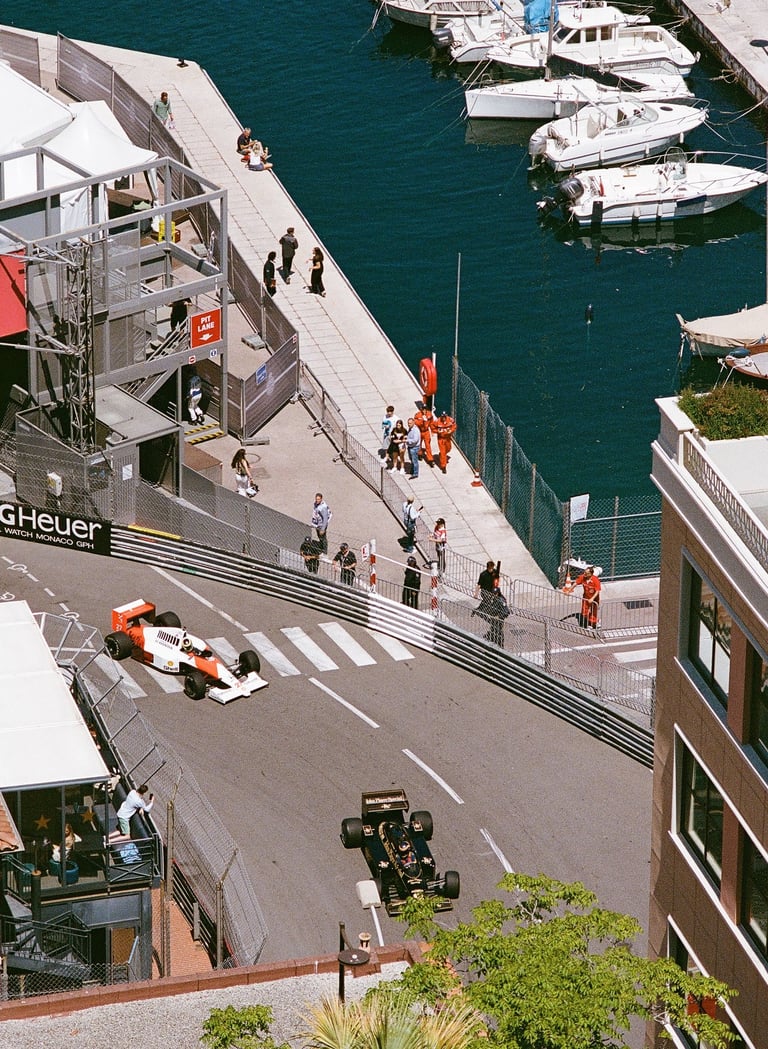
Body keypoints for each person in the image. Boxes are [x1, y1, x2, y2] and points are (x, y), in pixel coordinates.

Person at [564, 565, 601, 629]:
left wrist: (592, 598)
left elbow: (597, 591)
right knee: (584, 612)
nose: (584, 574)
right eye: (584, 572)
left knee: (593, 612)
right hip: (586, 597)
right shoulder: (582, 577)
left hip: (594, 599)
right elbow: (576, 583)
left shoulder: (595, 580)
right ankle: (590, 621)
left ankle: (592, 624)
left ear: (591, 574)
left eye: (586, 573)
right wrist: (569, 590)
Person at [485, 582, 510, 646]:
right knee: (493, 629)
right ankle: (491, 639)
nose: (493, 595)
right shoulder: (494, 599)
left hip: (498, 620)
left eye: (495, 594)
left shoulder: (501, 600)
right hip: (493, 619)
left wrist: (498, 617)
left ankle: (500, 644)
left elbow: (506, 611)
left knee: (498, 632)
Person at [434, 409, 457, 474]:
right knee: (443, 452)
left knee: (448, 449)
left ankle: (441, 455)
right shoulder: (437, 421)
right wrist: (437, 431)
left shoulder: (450, 420)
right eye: (442, 417)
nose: (443, 418)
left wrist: (451, 430)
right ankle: (443, 467)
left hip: (447, 438)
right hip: (441, 439)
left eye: (444, 416)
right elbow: (433, 427)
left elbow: (454, 426)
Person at [414, 402, 435, 467]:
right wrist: (422, 421)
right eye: (423, 409)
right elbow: (415, 422)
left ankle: (430, 459)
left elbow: (431, 423)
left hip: (426, 432)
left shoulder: (429, 414)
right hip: (419, 431)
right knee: (419, 443)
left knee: (428, 445)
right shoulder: (418, 415)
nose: (424, 410)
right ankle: (419, 454)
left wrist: (432, 430)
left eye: (425, 409)